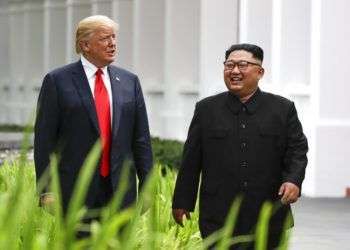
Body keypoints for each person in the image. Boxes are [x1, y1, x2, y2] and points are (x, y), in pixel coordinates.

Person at [172, 43, 308, 249]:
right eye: (229, 65)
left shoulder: (282, 109)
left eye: (242, 65)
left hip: (268, 213)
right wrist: (182, 201)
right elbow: (191, 160)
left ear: (260, 72)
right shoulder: (206, 110)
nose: (235, 71)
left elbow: (297, 149)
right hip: (218, 215)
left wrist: (293, 180)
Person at [34, 15, 152, 216]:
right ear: (85, 45)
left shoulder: (129, 81)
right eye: (105, 38)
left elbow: (141, 139)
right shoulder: (57, 81)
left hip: (121, 193)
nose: (112, 43)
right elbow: (44, 140)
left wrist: (147, 187)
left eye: (114, 37)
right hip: (75, 194)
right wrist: (47, 190)